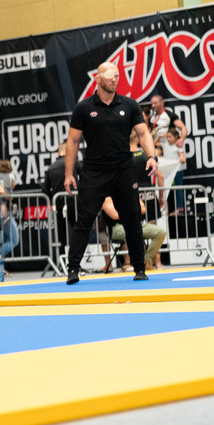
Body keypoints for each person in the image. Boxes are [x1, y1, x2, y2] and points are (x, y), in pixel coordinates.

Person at [64, 62, 158, 284]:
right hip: (94, 172)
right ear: (98, 79)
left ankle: (139, 268)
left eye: (117, 75)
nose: (114, 79)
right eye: (109, 76)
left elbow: (143, 133)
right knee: (84, 220)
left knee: (131, 219)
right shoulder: (84, 108)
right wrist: (69, 174)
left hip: (123, 170)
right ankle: (73, 269)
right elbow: (73, 141)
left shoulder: (129, 104)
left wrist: (152, 156)